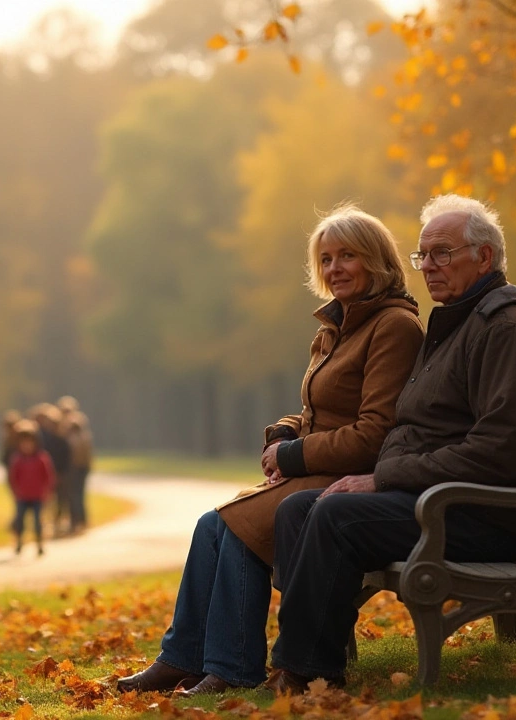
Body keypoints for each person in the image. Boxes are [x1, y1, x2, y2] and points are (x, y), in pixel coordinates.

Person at [118, 204, 424, 696]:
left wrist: (292, 457)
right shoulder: (335, 327)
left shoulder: (393, 326)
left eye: (348, 255)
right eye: (325, 259)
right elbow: (314, 411)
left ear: (378, 261)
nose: (334, 268)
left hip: (346, 480)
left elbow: (375, 433)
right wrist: (283, 433)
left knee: (235, 525)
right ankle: (183, 659)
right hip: (317, 468)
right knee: (213, 525)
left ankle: (232, 667)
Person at [263, 194, 516, 695]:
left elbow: (504, 448)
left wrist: (383, 477)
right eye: (423, 255)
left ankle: (305, 671)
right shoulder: (456, 326)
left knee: (335, 517)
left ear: (484, 257)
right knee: (297, 510)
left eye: (443, 253)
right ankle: (311, 655)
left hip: (483, 513)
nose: (428, 267)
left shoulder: (506, 329)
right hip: (440, 501)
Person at [8, 419, 55, 557]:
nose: (27, 446)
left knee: (37, 522)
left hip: (37, 496)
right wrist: (15, 491)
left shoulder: (41, 458)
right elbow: (13, 478)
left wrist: (47, 492)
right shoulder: (17, 459)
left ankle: (39, 543)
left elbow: (48, 477)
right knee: (20, 521)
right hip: (22, 496)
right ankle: (19, 542)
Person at [30, 403, 73, 536]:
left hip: (60, 473)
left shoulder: (61, 439)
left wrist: (60, 473)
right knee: (47, 501)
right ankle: (47, 524)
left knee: (60, 500)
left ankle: (57, 522)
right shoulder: (42, 439)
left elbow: (66, 457)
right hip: (47, 474)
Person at [57, 396, 93, 535]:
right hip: (78, 468)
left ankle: (77, 522)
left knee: (75, 496)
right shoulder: (79, 430)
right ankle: (79, 521)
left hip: (75, 468)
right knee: (76, 495)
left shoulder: (71, 429)